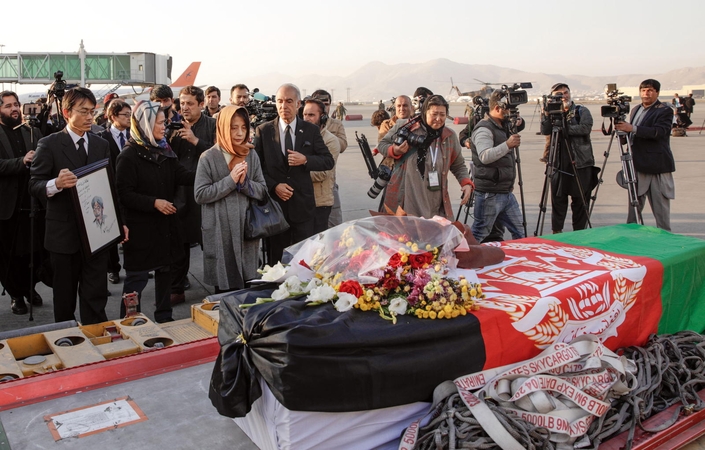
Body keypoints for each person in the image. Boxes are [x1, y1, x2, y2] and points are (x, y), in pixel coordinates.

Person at [29, 87, 115, 325]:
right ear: (67, 112)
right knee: (64, 300)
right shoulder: (49, 144)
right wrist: (55, 184)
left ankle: (96, 341)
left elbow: (110, 186)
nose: (89, 117)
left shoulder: (101, 144)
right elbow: (34, 185)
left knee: (95, 297)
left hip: (97, 234)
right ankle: (67, 345)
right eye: (83, 111)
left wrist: (120, 223)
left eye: (92, 111)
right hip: (63, 237)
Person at [116, 101, 195, 323]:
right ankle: (129, 322)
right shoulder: (129, 156)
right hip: (141, 229)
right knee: (136, 279)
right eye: (160, 123)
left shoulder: (164, 150)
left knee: (165, 273)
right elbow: (124, 194)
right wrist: (154, 203)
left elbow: (182, 175)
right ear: (145, 124)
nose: (164, 127)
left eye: (164, 122)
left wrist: (211, 172)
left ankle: (164, 318)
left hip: (165, 228)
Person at [254, 83, 334, 264]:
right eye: (280, 101)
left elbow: (327, 161)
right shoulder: (264, 130)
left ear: (298, 104)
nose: (284, 106)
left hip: (303, 208)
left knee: (303, 260)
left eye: (289, 101)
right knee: (276, 260)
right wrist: (274, 186)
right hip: (275, 209)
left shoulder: (310, 130)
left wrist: (305, 160)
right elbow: (256, 169)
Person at [194, 106, 267, 293]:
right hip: (219, 229)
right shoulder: (208, 157)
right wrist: (231, 180)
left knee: (249, 286)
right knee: (224, 288)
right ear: (223, 127)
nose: (240, 133)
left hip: (246, 228)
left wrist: (245, 184)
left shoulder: (251, 154)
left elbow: (262, 190)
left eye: (244, 127)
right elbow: (200, 194)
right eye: (234, 127)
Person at [378, 95, 473, 219]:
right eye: (434, 114)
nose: (438, 119)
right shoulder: (406, 127)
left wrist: (465, 183)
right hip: (407, 200)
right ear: (425, 112)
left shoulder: (449, 136)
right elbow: (382, 145)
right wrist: (394, 150)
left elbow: (458, 164)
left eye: (442, 115)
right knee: (406, 236)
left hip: (435, 201)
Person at [168, 86, 216, 305]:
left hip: (207, 193)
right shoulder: (173, 127)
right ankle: (176, 288)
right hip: (180, 194)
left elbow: (220, 156)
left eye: (189, 103)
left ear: (201, 104)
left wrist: (195, 141)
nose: (184, 108)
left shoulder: (213, 126)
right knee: (179, 246)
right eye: (182, 103)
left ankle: (218, 286)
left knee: (211, 244)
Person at [0, 90, 44, 315]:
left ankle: (30, 288)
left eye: (15, 104)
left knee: (33, 251)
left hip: (32, 201)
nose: (14, 109)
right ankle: (16, 294)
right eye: (7, 106)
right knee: (9, 254)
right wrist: (21, 161)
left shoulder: (32, 131)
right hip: (7, 206)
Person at [615, 79, 675, 231]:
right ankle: (631, 238)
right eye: (643, 90)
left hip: (657, 166)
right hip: (637, 164)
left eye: (650, 90)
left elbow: (659, 132)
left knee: (661, 211)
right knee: (634, 209)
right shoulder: (635, 109)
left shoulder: (664, 110)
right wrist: (624, 133)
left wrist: (632, 128)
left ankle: (665, 241)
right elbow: (632, 133)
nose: (646, 93)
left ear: (657, 93)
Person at [469, 90, 526, 243]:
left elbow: (518, 124)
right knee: (480, 232)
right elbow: (484, 156)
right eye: (507, 109)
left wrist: (518, 122)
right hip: (490, 192)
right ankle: (464, 257)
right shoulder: (484, 129)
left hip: (504, 191)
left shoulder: (502, 125)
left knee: (519, 230)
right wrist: (507, 145)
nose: (510, 113)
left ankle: (523, 259)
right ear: (497, 108)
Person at [540, 83, 595, 233]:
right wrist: (546, 114)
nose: (563, 96)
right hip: (558, 162)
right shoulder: (550, 112)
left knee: (580, 201)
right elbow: (545, 130)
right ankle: (557, 232)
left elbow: (585, 128)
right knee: (558, 201)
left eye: (565, 92)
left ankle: (580, 233)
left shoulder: (581, 111)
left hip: (580, 162)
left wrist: (564, 128)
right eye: (559, 94)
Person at [98, 99, 131, 284]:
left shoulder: (134, 136)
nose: (128, 118)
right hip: (110, 190)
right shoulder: (102, 138)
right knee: (111, 231)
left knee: (131, 228)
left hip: (129, 190)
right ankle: (113, 268)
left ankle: (133, 266)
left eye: (130, 114)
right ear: (112, 116)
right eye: (125, 115)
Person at [302, 98, 341, 233]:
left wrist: (295, 174)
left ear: (323, 118)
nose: (306, 119)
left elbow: (323, 172)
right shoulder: (299, 137)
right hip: (301, 201)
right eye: (305, 114)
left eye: (311, 115)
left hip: (319, 203)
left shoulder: (331, 141)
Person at [311, 90, 347, 228]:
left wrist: (324, 134)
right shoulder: (306, 122)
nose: (325, 107)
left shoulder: (335, 125)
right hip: (309, 184)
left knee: (334, 225)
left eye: (326, 104)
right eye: (321, 104)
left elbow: (343, 145)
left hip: (329, 183)